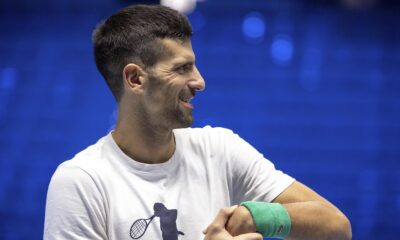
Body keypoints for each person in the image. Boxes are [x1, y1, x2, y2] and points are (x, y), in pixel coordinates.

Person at [44, 4, 351, 240]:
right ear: (135, 78)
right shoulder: (81, 182)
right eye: (182, 68)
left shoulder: (218, 148)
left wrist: (256, 216)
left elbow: (336, 225)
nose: (200, 81)